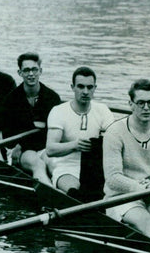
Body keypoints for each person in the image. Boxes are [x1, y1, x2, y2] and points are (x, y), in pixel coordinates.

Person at [102, 79, 150, 243]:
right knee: (148, 223)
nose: (146, 108)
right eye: (140, 103)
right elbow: (113, 178)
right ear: (131, 104)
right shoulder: (114, 132)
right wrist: (143, 189)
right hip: (121, 196)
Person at [0, 52, 62, 184]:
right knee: (38, 164)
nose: (31, 74)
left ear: (40, 71)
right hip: (22, 150)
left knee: (53, 164)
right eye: (26, 70)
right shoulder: (11, 100)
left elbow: (55, 131)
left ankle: (68, 193)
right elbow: (8, 135)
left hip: (45, 147)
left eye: (34, 69)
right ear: (20, 73)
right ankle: (50, 197)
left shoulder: (52, 98)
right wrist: (21, 144)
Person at [46, 66, 114, 196]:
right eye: (81, 87)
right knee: (75, 192)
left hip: (95, 167)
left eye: (89, 87)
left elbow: (116, 138)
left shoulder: (102, 110)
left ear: (95, 88)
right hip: (67, 167)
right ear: (72, 87)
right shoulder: (59, 111)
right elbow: (50, 149)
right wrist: (75, 145)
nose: (85, 91)